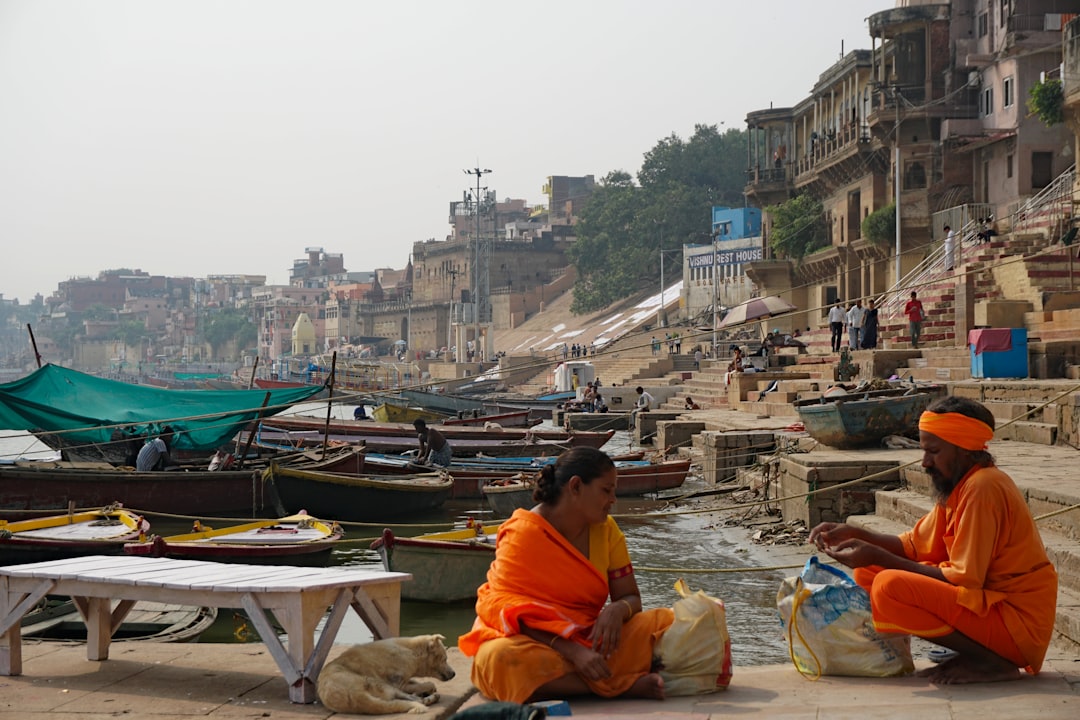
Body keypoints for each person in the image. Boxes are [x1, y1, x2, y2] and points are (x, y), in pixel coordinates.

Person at [809, 396, 1057, 685]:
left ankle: (991, 662)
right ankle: (967, 654)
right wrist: (857, 533)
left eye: (933, 452)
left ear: (964, 450)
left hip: (1018, 624)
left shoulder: (983, 487)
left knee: (890, 585)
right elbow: (914, 546)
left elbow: (965, 580)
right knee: (869, 573)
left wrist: (878, 555)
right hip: (991, 609)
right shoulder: (960, 484)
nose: (925, 462)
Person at [459, 447, 674, 702]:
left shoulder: (606, 530)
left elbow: (630, 597)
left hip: (591, 639)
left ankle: (581, 679)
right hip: (533, 643)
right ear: (575, 487)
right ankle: (621, 686)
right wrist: (574, 653)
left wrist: (617, 610)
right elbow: (503, 610)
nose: (613, 499)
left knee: (675, 623)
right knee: (498, 659)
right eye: (606, 490)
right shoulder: (523, 533)